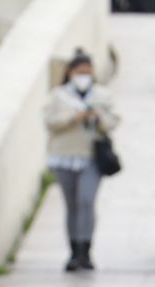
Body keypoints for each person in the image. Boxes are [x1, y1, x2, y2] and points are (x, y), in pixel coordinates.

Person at [45, 50, 119, 272]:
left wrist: (98, 118)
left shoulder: (101, 96)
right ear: (70, 73)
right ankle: (74, 251)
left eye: (87, 73)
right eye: (79, 72)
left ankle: (86, 250)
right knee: (72, 205)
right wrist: (74, 118)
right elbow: (50, 122)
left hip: (91, 158)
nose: (84, 76)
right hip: (65, 157)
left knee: (86, 202)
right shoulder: (58, 95)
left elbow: (113, 121)